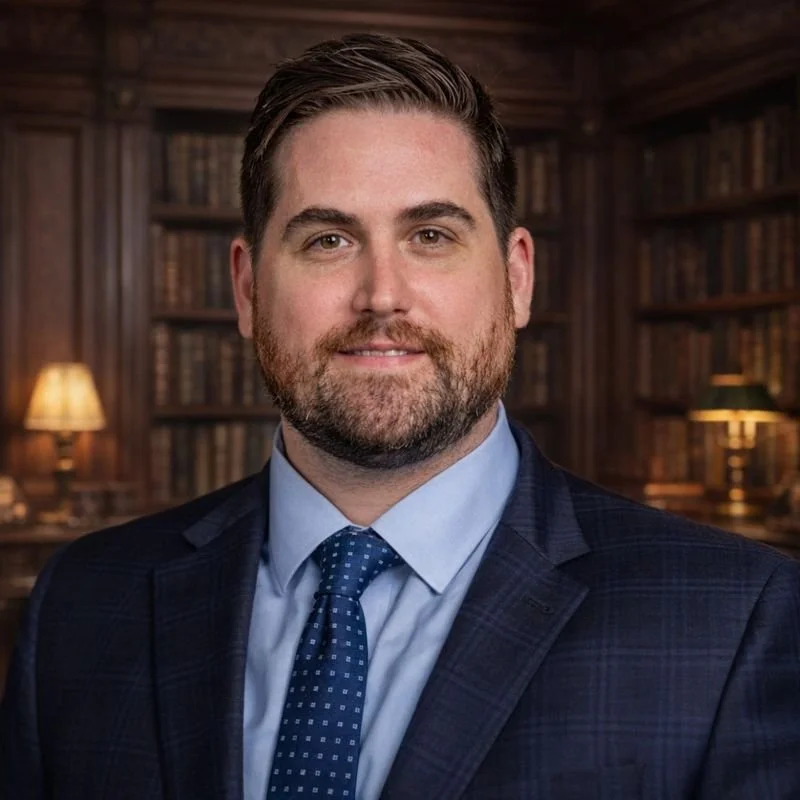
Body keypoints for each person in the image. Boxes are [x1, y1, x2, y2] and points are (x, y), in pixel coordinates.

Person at [1, 32, 799, 800]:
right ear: (246, 290)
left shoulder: (735, 618)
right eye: (326, 241)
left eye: (430, 234)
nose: (382, 295)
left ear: (517, 278)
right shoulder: (81, 602)